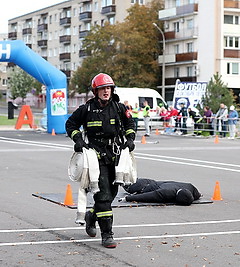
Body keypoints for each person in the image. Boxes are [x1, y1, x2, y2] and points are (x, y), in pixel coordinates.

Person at [65, 73, 136, 248]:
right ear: (95, 91)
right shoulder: (86, 109)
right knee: (103, 196)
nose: (106, 91)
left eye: (109, 88)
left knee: (111, 194)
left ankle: (92, 216)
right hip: (95, 157)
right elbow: (70, 124)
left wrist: (130, 139)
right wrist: (78, 141)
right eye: (102, 88)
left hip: (115, 156)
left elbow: (130, 124)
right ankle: (107, 235)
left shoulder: (119, 108)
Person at [120, 178, 201, 206]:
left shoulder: (189, 187)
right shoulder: (167, 192)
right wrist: (128, 198)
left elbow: (147, 196)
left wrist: (128, 198)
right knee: (125, 181)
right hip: (144, 186)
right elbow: (148, 196)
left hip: (148, 184)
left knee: (127, 180)